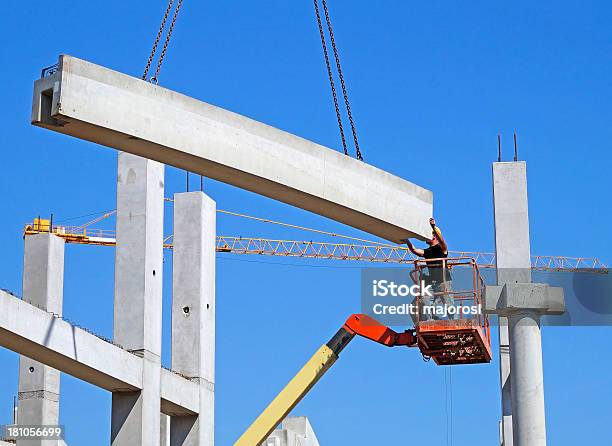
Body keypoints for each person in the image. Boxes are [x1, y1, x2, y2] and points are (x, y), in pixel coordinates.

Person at [403, 218, 455, 321]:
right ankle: (429, 321)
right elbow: (414, 250)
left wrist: (433, 227)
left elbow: (442, 240)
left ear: (434, 236)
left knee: (448, 303)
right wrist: (406, 240)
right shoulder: (427, 251)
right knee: (425, 299)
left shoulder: (442, 248)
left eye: (428, 234)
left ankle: (455, 322)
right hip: (433, 281)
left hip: (444, 281)